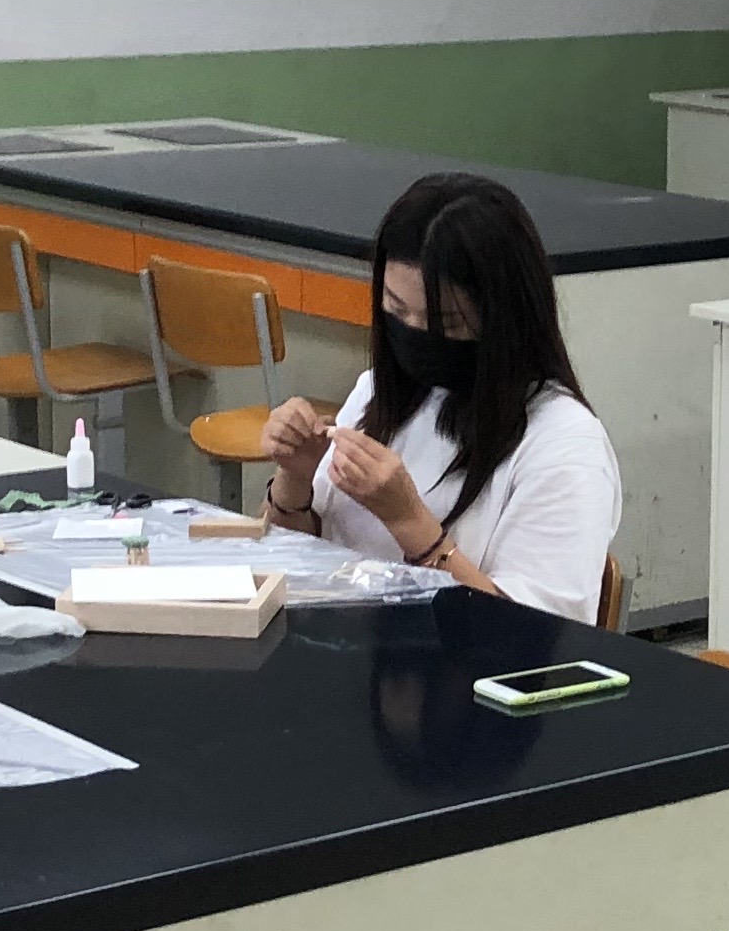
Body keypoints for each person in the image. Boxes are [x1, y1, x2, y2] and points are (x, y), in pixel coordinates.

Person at [258, 171, 624, 622]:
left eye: (446, 323)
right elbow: (294, 566)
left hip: (460, 665)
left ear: (503, 319)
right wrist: (294, 477)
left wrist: (410, 523)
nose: (414, 333)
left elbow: (537, 639)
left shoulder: (564, 445)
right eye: (396, 309)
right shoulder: (379, 391)